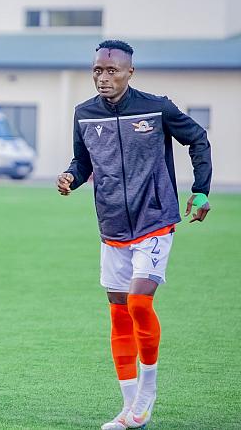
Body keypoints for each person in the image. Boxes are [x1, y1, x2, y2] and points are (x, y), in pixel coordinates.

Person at [56, 40, 211, 429]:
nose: (103, 77)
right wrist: (71, 177)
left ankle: (147, 392)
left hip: (154, 220)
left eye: (112, 71)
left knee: (139, 302)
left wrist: (201, 190)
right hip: (112, 226)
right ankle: (129, 408)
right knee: (119, 313)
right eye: (97, 70)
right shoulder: (84, 114)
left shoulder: (157, 108)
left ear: (129, 72)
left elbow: (198, 138)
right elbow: (82, 161)